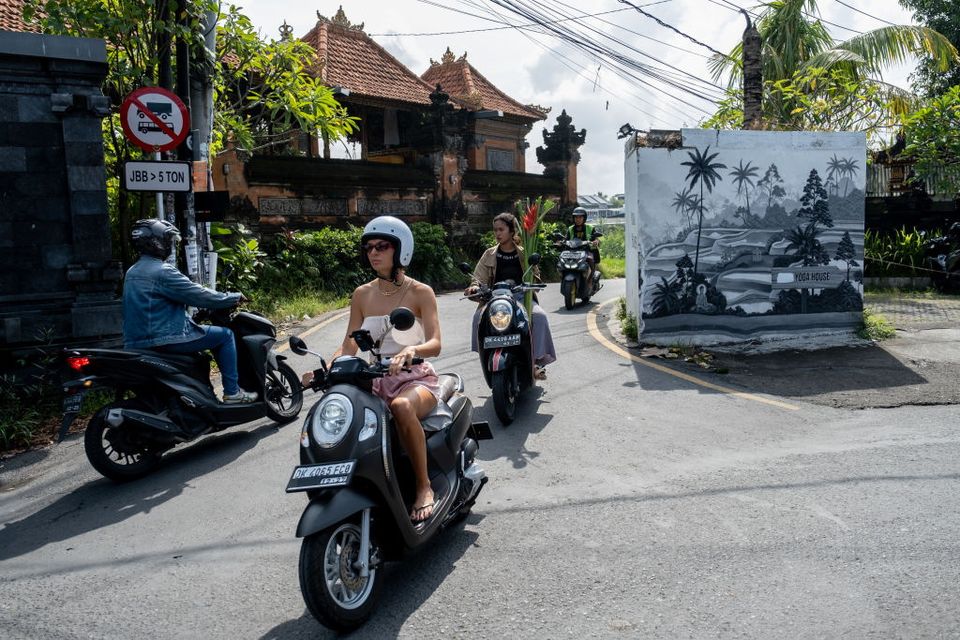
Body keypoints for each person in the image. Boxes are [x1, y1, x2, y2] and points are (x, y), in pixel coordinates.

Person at [305, 216, 442, 523]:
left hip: (416, 379)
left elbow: (434, 343)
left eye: (382, 246)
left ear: (400, 250)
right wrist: (324, 368)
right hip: (376, 379)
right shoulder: (362, 294)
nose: (373, 253)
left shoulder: (421, 292)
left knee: (402, 407)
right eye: (368, 247)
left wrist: (411, 350)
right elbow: (350, 344)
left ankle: (423, 486)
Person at [123, 219, 257, 404]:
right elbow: (198, 294)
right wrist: (232, 297)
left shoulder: (132, 272)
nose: (171, 244)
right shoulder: (162, 271)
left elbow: (155, 305)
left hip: (137, 341)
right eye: (168, 240)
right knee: (225, 336)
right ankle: (232, 393)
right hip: (166, 338)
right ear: (156, 242)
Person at [464, 212, 557, 379]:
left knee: (540, 317)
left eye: (501, 229)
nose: (497, 233)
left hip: (521, 298)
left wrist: (532, 277)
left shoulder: (524, 253)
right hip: (495, 299)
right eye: (495, 230)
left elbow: (536, 278)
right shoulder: (489, 254)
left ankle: (536, 361)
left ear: (512, 231)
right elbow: (478, 278)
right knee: (478, 317)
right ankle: (486, 353)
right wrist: (474, 287)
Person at [566, 206, 601, 286]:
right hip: (573, 252)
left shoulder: (590, 228)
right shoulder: (570, 229)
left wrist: (596, 241)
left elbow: (596, 239)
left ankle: (590, 281)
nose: (578, 219)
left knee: (591, 261)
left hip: (587, 251)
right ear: (573, 218)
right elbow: (566, 239)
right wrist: (560, 242)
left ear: (584, 218)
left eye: (580, 217)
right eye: (576, 217)